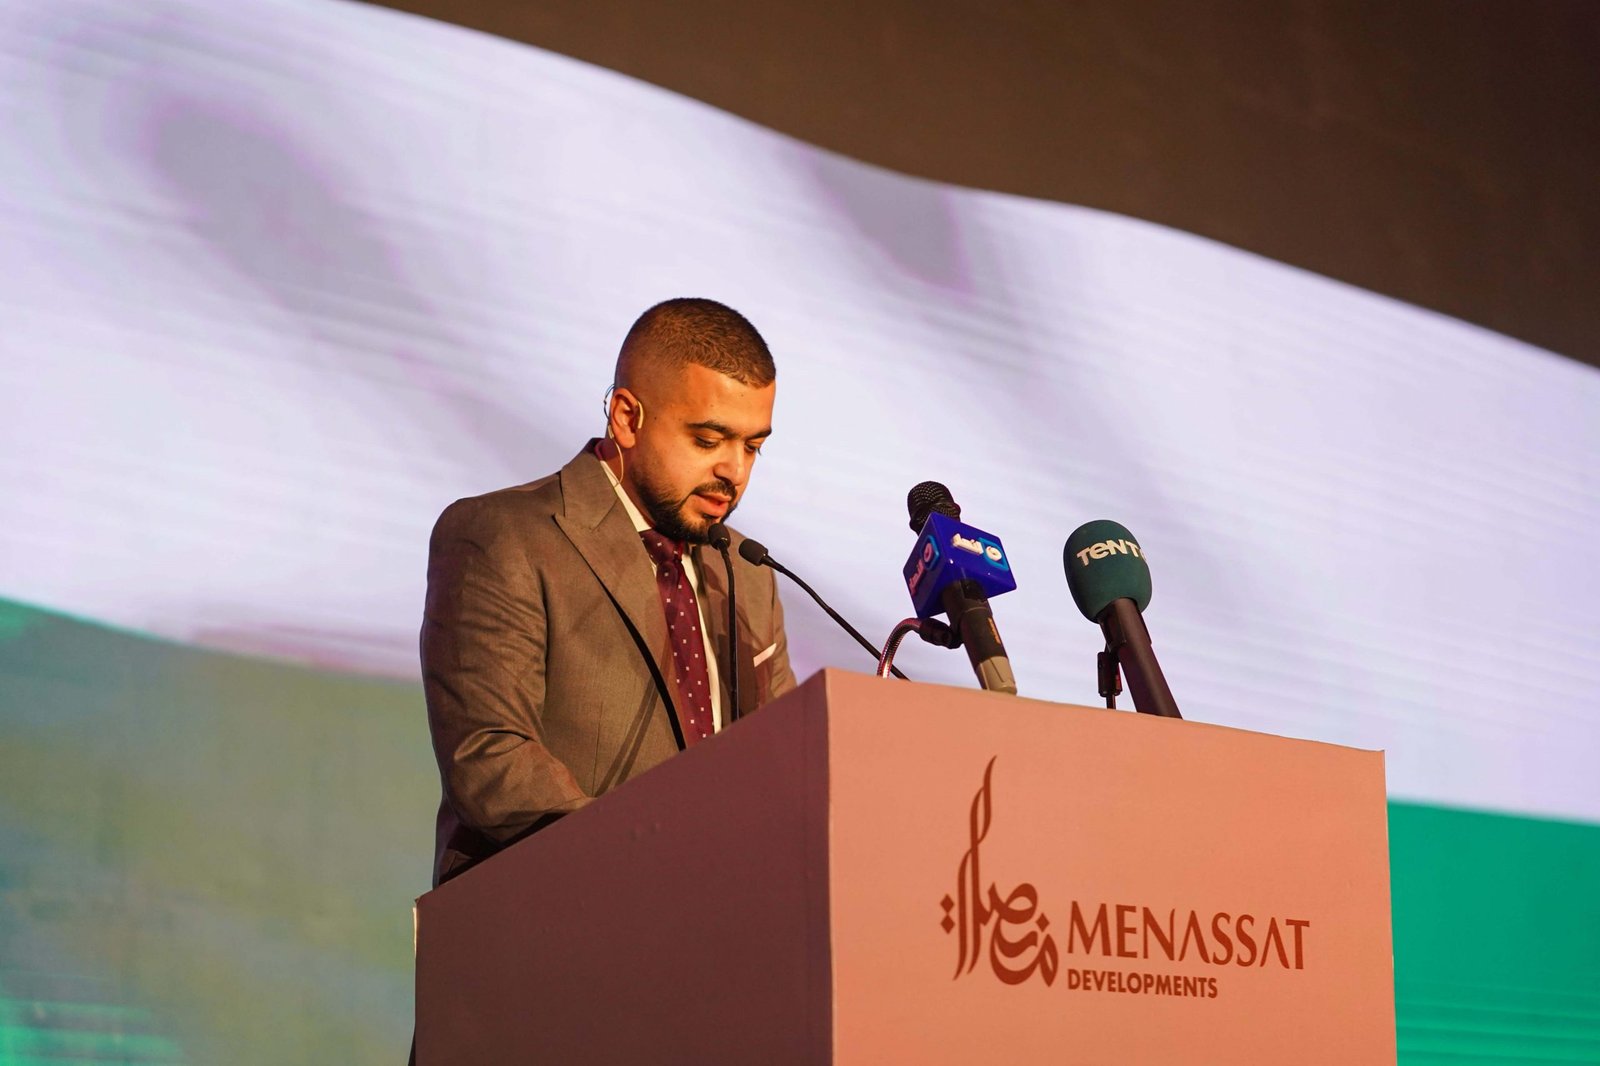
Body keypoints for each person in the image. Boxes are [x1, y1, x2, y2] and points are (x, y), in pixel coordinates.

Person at [420, 297, 798, 887]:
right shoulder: (503, 535)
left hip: (724, 918)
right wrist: (663, 871)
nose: (735, 472)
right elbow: (491, 761)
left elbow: (785, 763)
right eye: (707, 440)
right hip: (556, 911)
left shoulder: (746, 571)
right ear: (626, 417)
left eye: (752, 447)